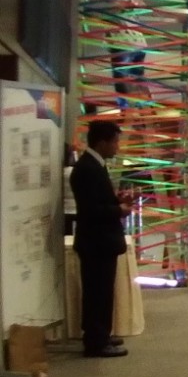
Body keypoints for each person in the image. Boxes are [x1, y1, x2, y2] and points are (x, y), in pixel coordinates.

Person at [71, 120, 132, 358]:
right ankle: (96, 341)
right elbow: (90, 210)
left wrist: (117, 200)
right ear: (102, 142)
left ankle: (102, 334)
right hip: (96, 242)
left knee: (103, 292)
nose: (118, 146)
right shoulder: (87, 169)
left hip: (101, 241)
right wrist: (119, 210)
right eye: (115, 142)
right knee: (97, 293)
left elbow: (99, 200)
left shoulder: (96, 165)